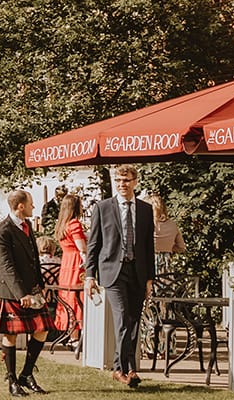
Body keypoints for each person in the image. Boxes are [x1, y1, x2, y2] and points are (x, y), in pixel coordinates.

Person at [85, 164, 156, 389]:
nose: (122, 184)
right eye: (118, 181)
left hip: (138, 271)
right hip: (112, 271)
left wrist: (150, 278)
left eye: (126, 180)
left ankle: (130, 368)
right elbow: (93, 244)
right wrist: (89, 275)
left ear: (135, 182)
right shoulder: (103, 207)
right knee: (123, 318)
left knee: (134, 321)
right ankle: (120, 368)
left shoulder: (145, 209)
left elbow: (148, 246)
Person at [0, 190, 50, 397]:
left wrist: (40, 284)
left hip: (31, 288)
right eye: (31, 203)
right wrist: (21, 294)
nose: (33, 207)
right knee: (11, 334)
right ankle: (12, 381)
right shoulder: (3, 231)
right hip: (11, 291)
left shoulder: (27, 225)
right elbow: (5, 266)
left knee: (42, 329)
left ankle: (26, 374)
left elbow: (34, 258)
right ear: (21, 206)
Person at [53, 194, 87, 337]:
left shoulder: (62, 224)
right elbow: (82, 248)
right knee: (78, 297)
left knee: (68, 296)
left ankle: (72, 334)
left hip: (66, 262)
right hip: (76, 263)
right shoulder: (74, 224)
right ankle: (78, 334)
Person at [150, 194, 184, 275]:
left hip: (148, 264)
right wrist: (168, 247)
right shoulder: (172, 224)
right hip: (166, 265)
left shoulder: (146, 225)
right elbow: (181, 247)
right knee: (166, 282)